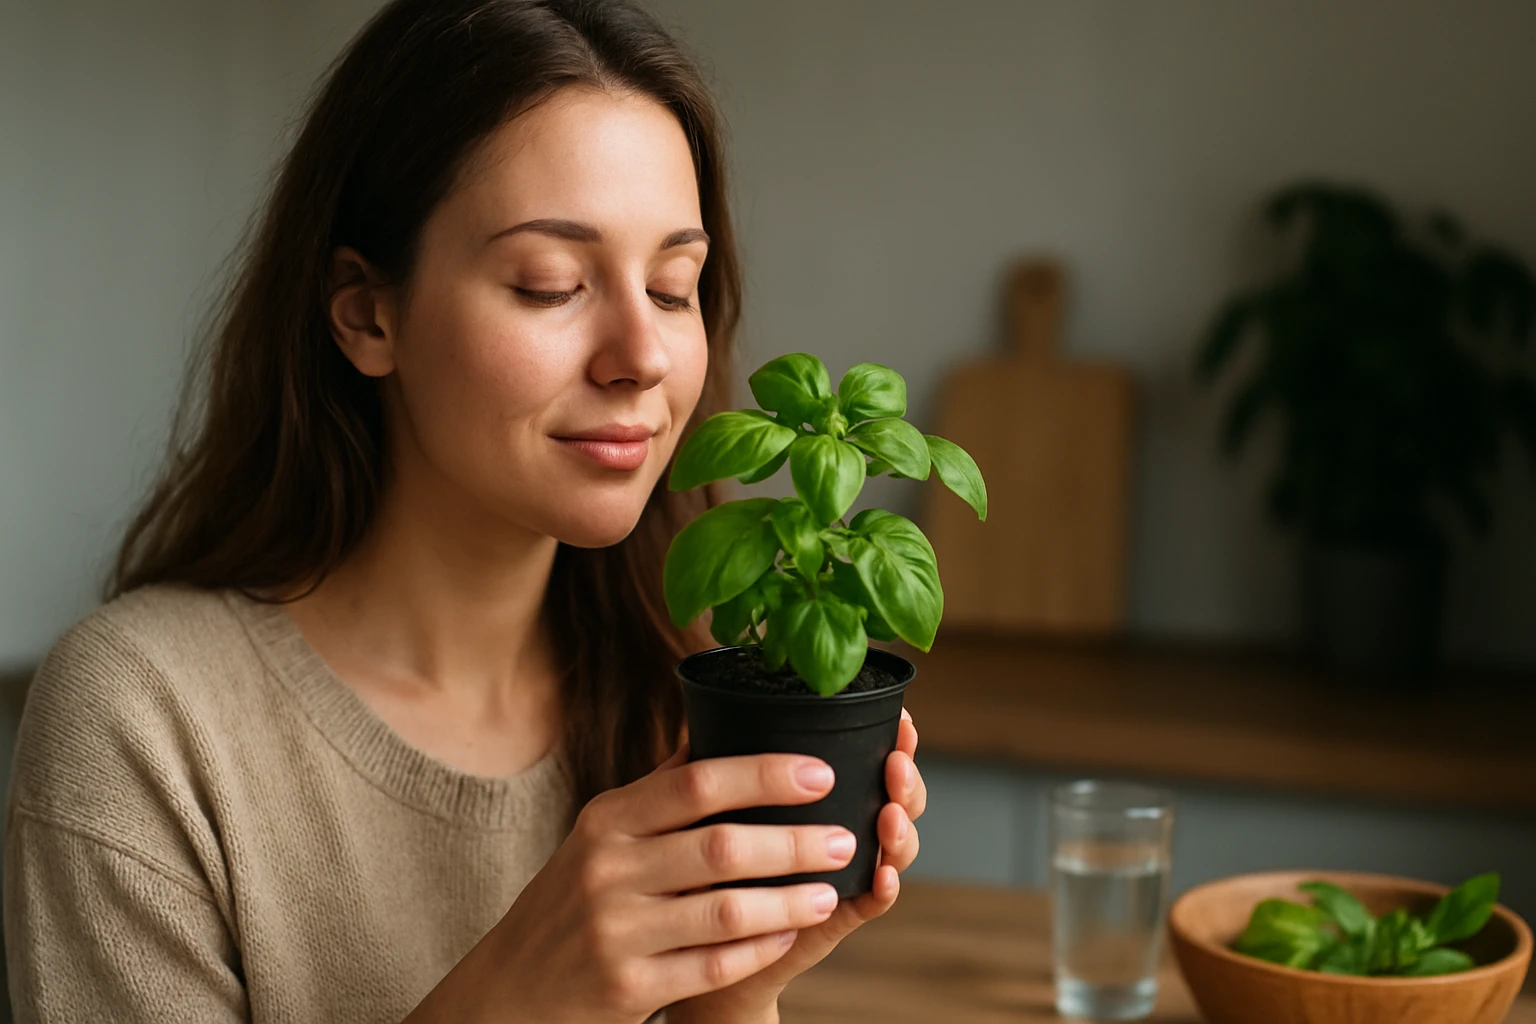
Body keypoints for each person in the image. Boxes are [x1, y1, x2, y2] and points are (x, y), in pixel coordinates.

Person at [2, 1, 928, 1021]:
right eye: (550, 284)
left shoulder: (674, 692)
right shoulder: (143, 721)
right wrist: (523, 988)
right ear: (365, 311)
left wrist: (733, 993)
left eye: (674, 287)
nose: (644, 357)